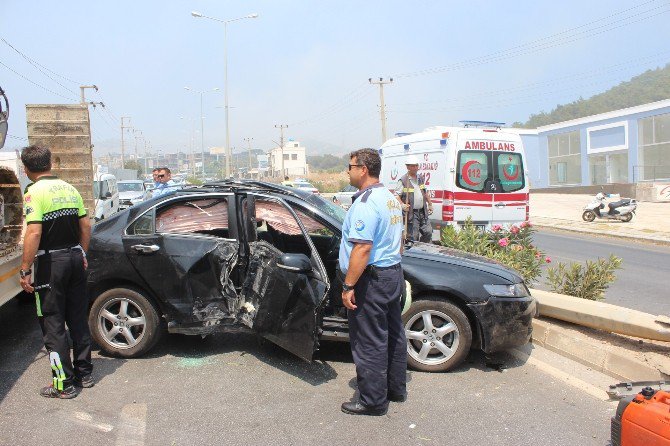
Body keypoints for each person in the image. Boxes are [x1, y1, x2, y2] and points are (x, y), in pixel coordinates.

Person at [19, 145, 92, 399]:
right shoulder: (69, 188)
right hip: (74, 258)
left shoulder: (33, 192)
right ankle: (85, 373)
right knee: (77, 318)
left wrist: (25, 269)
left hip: (51, 263)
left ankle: (63, 384)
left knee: (52, 324)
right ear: (50, 164)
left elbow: (34, 232)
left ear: (26, 168)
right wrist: (82, 253)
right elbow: (85, 224)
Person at [338, 148, 406, 416]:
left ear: (363, 169)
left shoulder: (366, 203)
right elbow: (398, 240)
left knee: (369, 340)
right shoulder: (389, 197)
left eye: (351, 166)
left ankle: (372, 401)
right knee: (393, 334)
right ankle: (395, 389)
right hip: (392, 273)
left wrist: (348, 286)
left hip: (373, 279)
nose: (348, 171)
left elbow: (362, 249)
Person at [394, 156, 433, 243]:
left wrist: (430, 204)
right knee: (414, 236)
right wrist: (402, 205)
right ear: (407, 167)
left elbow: (424, 192)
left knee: (428, 232)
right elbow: (396, 195)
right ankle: (414, 253)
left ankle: (423, 248)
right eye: (412, 166)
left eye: (416, 166)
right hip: (412, 213)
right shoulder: (403, 180)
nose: (415, 168)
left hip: (423, 212)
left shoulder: (420, 178)